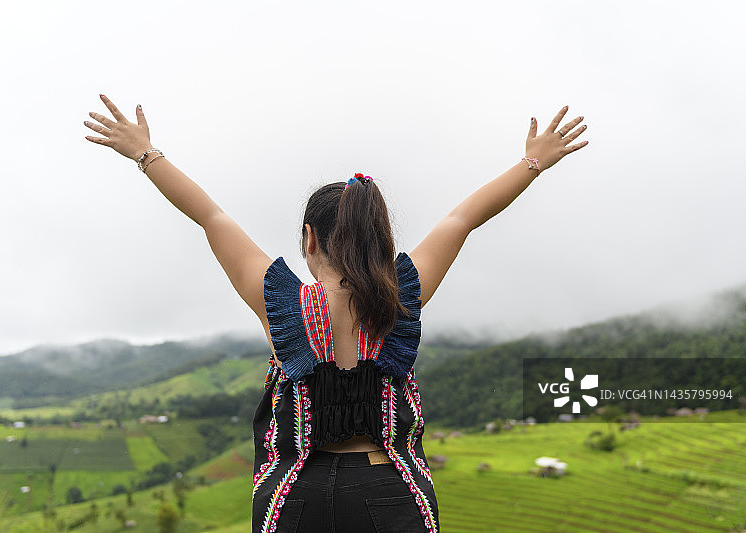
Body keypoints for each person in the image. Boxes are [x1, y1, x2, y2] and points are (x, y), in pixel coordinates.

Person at [83, 95, 588, 533]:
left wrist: (145, 154)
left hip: (296, 497)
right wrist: (533, 163)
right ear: (377, 238)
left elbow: (210, 216)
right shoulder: (400, 297)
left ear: (309, 238)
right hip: (390, 492)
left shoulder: (279, 301)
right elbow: (463, 219)